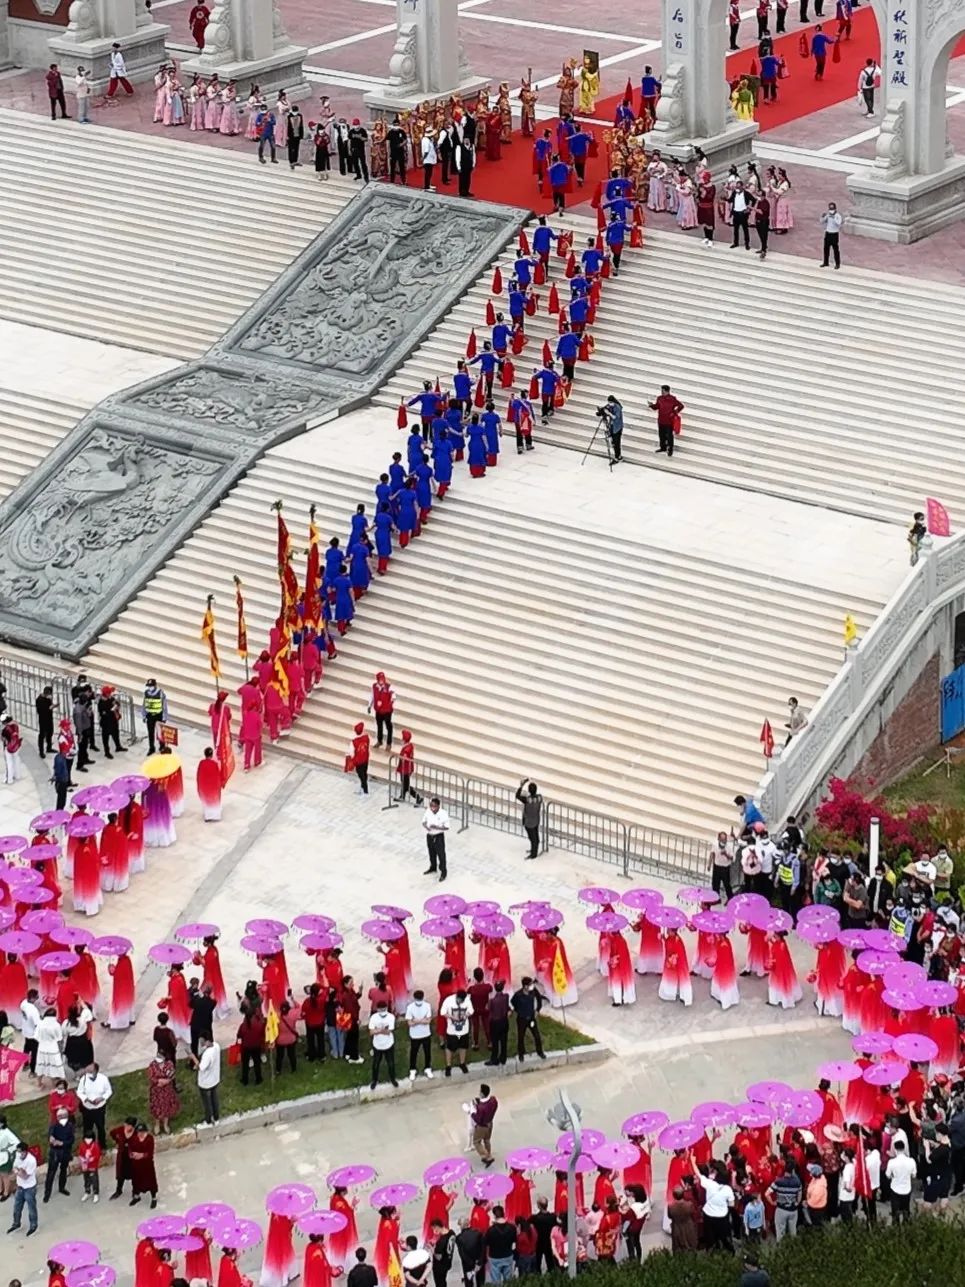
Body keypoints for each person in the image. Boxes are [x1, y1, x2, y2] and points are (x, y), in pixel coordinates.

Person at [6, 1142, 38, 1235]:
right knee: (16, 1207)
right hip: (20, 1187)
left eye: (20, 1152)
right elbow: (15, 1168)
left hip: (29, 1188)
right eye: (18, 1151)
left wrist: (18, 1171)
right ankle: (16, 1224)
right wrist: (19, 1171)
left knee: (31, 1208)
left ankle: (33, 1225)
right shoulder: (17, 1156)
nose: (18, 1154)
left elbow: (25, 1176)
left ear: (25, 1151)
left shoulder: (31, 1160)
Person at [76, 1063, 111, 1148]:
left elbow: (109, 1091)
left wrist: (102, 1098)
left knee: (100, 1127)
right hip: (87, 1108)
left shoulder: (103, 1079)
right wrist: (86, 1099)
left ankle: (102, 1146)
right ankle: (87, 1146)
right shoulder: (83, 1079)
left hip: (99, 1109)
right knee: (87, 1128)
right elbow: (79, 1092)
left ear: (96, 1071)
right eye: (87, 1071)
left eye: (90, 1071)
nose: (88, 1073)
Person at [43, 1107, 74, 1203]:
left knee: (63, 1170)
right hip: (55, 1153)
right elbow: (50, 1135)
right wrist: (51, 1139)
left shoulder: (70, 1126)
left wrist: (62, 1143)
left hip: (65, 1152)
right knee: (51, 1173)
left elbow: (71, 1140)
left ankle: (62, 1188)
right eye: (59, 1116)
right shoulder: (54, 1126)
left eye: (63, 1115)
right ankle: (47, 1194)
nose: (61, 1117)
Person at [510, 978, 545, 1060]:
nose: (532, 986)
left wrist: (537, 1010)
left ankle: (540, 1052)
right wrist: (519, 1011)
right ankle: (521, 1053)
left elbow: (539, 998)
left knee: (537, 1035)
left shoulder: (533, 991)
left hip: (531, 1018)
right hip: (522, 1019)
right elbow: (513, 1003)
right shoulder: (518, 995)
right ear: (525, 986)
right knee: (521, 1037)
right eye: (530, 984)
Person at [440, 988, 472, 1077]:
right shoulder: (448, 1000)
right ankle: (448, 1066)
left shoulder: (467, 1000)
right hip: (452, 1030)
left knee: (463, 1046)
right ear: (456, 997)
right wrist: (451, 1017)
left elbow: (471, 1011)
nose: (461, 1002)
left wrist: (466, 1015)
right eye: (460, 1000)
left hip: (464, 1029)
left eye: (462, 1001)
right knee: (449, 1048)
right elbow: (442, 1012)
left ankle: (462, 1063)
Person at [189, 1036, 221, 1124]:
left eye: (202, 1041)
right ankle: (216, 1116)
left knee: (207, 1102)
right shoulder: (216, 1046)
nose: (201, 1043)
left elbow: (201, 1067)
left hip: (206, 1082)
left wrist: (193, 1058)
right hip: (215, 1079)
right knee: (214, 1098)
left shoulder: (207, 1054)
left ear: (207, 1041)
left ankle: (208, 1119)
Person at [767, 1158, 802, 1239]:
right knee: (793, 1232)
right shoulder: (797, 1182)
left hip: (781, 1209)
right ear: (793, 1170)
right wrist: (797, 1202)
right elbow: (799, 1196)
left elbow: (767, 1193)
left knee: (780, 1232)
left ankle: (781, 1249)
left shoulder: (778, 1181)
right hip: (793, 1210)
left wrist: (772, 1202)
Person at [368, 999, 398, 1089]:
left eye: (383, 1009)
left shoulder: (391, 1017)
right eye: (380, 1010)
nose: (382, 1012)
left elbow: (389, 1031)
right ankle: (374, 1080)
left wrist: (378, 1030)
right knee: (376, 1064)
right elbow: (371, 1032)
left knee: (391, 1063)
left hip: (388, 1044)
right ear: (377, 1009)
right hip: (377, 1045)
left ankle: (393, 1079)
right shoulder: (373, 1017)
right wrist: (382, 1030)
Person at [648, 385, 684, 458]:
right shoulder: (659, 398)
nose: (662, 392)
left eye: (663, 391)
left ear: (667, 391)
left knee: (669, 436)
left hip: (669, 421)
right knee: (661, 435)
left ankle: (670, 449)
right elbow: (657, 407)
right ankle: (663, 447)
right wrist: (652, 406)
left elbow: (681, 406)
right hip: (661, 420)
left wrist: (674, 412)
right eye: (661, 390)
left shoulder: (672, 399)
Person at [885, 1138, 916, 1223]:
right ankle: (906, 1225)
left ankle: (896, 1227)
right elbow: (914, 1175)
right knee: (906, 1210)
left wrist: (893, 1176)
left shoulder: (892, 1162)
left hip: (895, 1189)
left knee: (895, 1212)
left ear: (895, 1149)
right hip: (907, 1189)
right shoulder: (911, 1161)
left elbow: (887, 1175)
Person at [405, 989, 433, 1080]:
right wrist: (422, 1020)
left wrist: (416, 1020)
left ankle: (427, 1068)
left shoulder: (427, 1006)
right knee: (414, 1052)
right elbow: (409, 1023)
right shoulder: (410, 1007)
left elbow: (428, 1021)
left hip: (426, 1034)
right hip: (415, 1035)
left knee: (427, 1052)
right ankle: (412, 1069)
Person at [128, 1123, 158, 1208]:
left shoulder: (149, 1139)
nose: (140, 1134)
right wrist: (132, 1155)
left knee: (150, 1181)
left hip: (147, 1165)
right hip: (136, 1165)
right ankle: (136, 1196)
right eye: (139, 1132)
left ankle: (154, 1198)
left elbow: (150, 1153)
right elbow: (130, 1149)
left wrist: (141, 1155)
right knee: (136, 1181)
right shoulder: (133, 1139)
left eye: (142, 1132)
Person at [483, 1207, 516, 1282]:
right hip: (508, 1255)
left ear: (494, 1216)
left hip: (495, 1257)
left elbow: (487, 1244)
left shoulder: (490, 1230)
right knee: (509, 1281)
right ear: (503, 1214)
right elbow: (514, 1240)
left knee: (496, 1281)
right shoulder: (511, 1228)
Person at [422, 798, 450, 881]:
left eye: (434, 806)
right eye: (431, 806)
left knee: (441, 855)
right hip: (430, 835)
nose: (432, 808)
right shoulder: (428, 811)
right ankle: (433, 867)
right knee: (431, 853)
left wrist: (437, 827)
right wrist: (426, 826)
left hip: (438, 836)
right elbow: (423, 821)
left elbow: (447, 827)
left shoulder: (443, 813)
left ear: (438, 806)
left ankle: (443, 871)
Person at [515, 779, 543, 859]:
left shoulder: (528, 799)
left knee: (532, 838)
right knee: (536, 837)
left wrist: (521, 786)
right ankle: (533, 850)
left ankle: (533, 854)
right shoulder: (539, 798)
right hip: (536, 820)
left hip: (528, 822)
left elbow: (517, 795)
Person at [471, 1085, 498, 1166]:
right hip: (490, 1123)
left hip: (482, 1126)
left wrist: (472, 1112)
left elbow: (478, 1119)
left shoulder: (481, 1108)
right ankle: (487, 1153)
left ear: (482, 1094)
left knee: (476, 1142)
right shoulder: (493, 1100)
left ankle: (487, 1156)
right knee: (487, 1140)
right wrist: (479, 1102)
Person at [455, 1216, 484, 1287]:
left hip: (467, 1264)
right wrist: (479, 1262)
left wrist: (471, 1263)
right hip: (478, 1261)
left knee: (469, 1282)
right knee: (480, 1281)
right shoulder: (478, 1233)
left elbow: (462, 1253)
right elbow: (482, 1249)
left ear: (461, 1226)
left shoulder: (459, 1238)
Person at [141, 679, 168, 754]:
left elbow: (164, 705)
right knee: (150, 733)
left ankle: (162, 746)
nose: (150, 687)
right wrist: (144, 715)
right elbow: (144, 704)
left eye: (151, 686)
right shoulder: (146, 693)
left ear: (155, 685)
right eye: (149, 686)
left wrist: (164, 717)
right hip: (149, 716)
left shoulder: (160, 693)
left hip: (158, 715)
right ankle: (151, 748)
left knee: (160, 732)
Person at [709, 832, 734, 902]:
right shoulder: (715, 844)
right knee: (715, 884)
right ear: (719, 839)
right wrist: (709, 864)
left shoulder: (729, 847)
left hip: (725, 868)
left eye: (725, 839)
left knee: (727, 884)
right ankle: (716, 899)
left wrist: (726, 854)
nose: (724, 841)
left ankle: (730, 898)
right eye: (722, 839)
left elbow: (732, 858)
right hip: (717, 866)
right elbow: (712, 853)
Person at [820, 202, 843, 268]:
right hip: (828, 233)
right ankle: (825, 262)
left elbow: (839, 223)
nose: (831, 210)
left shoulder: (838, 216)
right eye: (830, 208)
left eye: (832, 209)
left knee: (835, 249)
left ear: (835, 209)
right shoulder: (828, 215)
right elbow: (822, 222)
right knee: (826, 249)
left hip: (834, 234)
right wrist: (823, 217)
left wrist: (834, 217)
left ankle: (837, 264)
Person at [1, 716, 22, 785]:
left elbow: (3, 739)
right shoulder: (16, 725)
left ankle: (9, 779)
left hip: (8, 747)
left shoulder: (5, 729)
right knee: (16, 760)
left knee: (9, 763)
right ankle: (17, 775)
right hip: (16, 746)